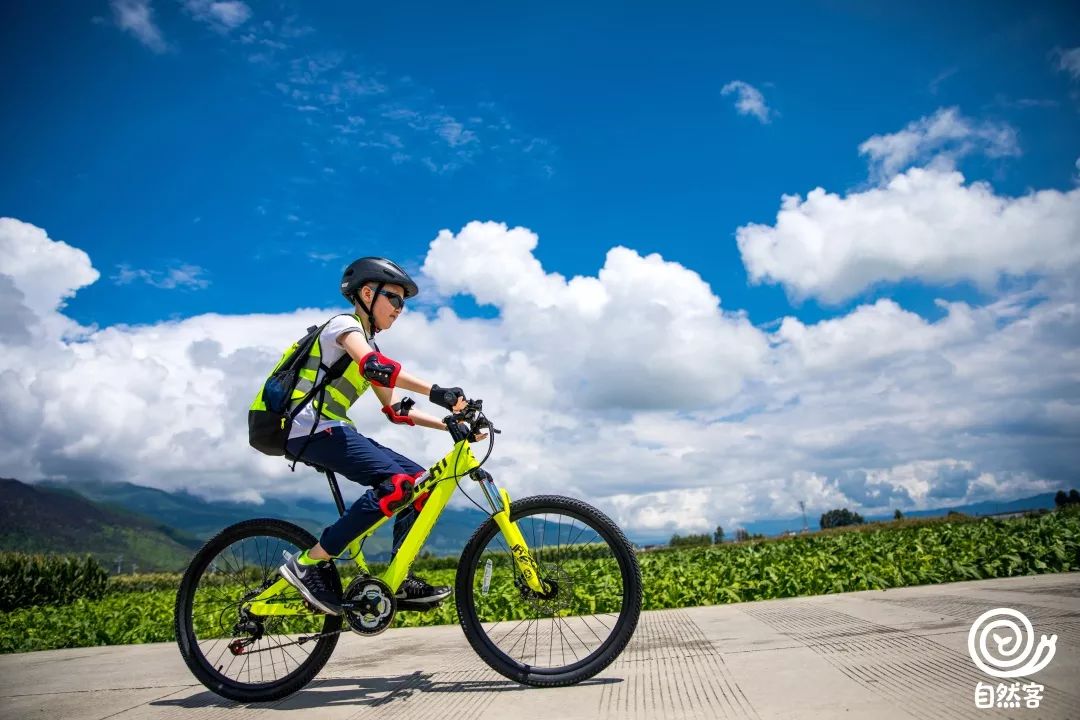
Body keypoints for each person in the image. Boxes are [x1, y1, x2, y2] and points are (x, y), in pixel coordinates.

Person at [276, 256, 483, 615]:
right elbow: (375, 368)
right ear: (367, 293)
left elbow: (395, 410)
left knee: (422, 484)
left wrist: (450, 424)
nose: (400, 309)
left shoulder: (370, 343)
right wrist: (441, 393)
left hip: (331, 429)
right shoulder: (343, 327)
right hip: (307, 428)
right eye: (396, 299)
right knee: (396, 483)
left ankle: (398, 579)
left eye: (404, 303)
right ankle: (308, 563)